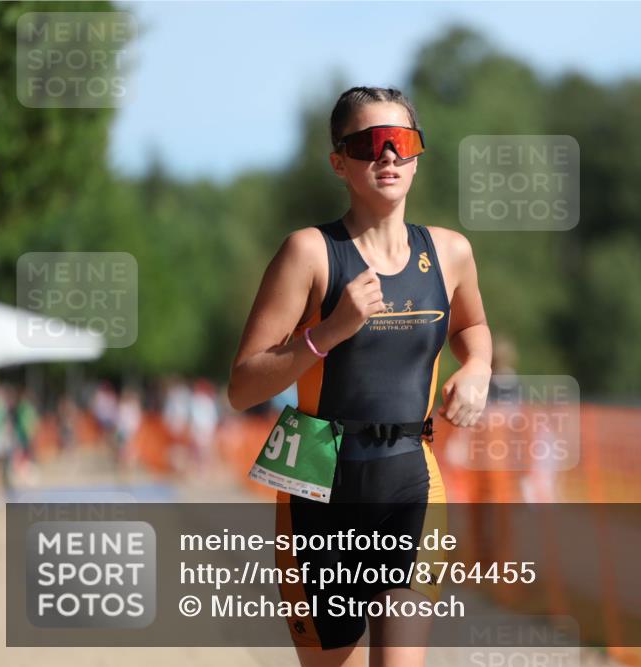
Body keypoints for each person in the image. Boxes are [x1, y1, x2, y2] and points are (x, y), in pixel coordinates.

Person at [228, 86, 491, 667]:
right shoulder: (309, 253)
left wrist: (478, 367)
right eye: (371, 144)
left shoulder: (449, 253)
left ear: (419, 154)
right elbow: (243, 385)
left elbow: (472, 327)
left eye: (402, 142)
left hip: (411, 476)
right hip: (318, 478)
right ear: (339, 162)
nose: (389, 157)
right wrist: (329, 330)